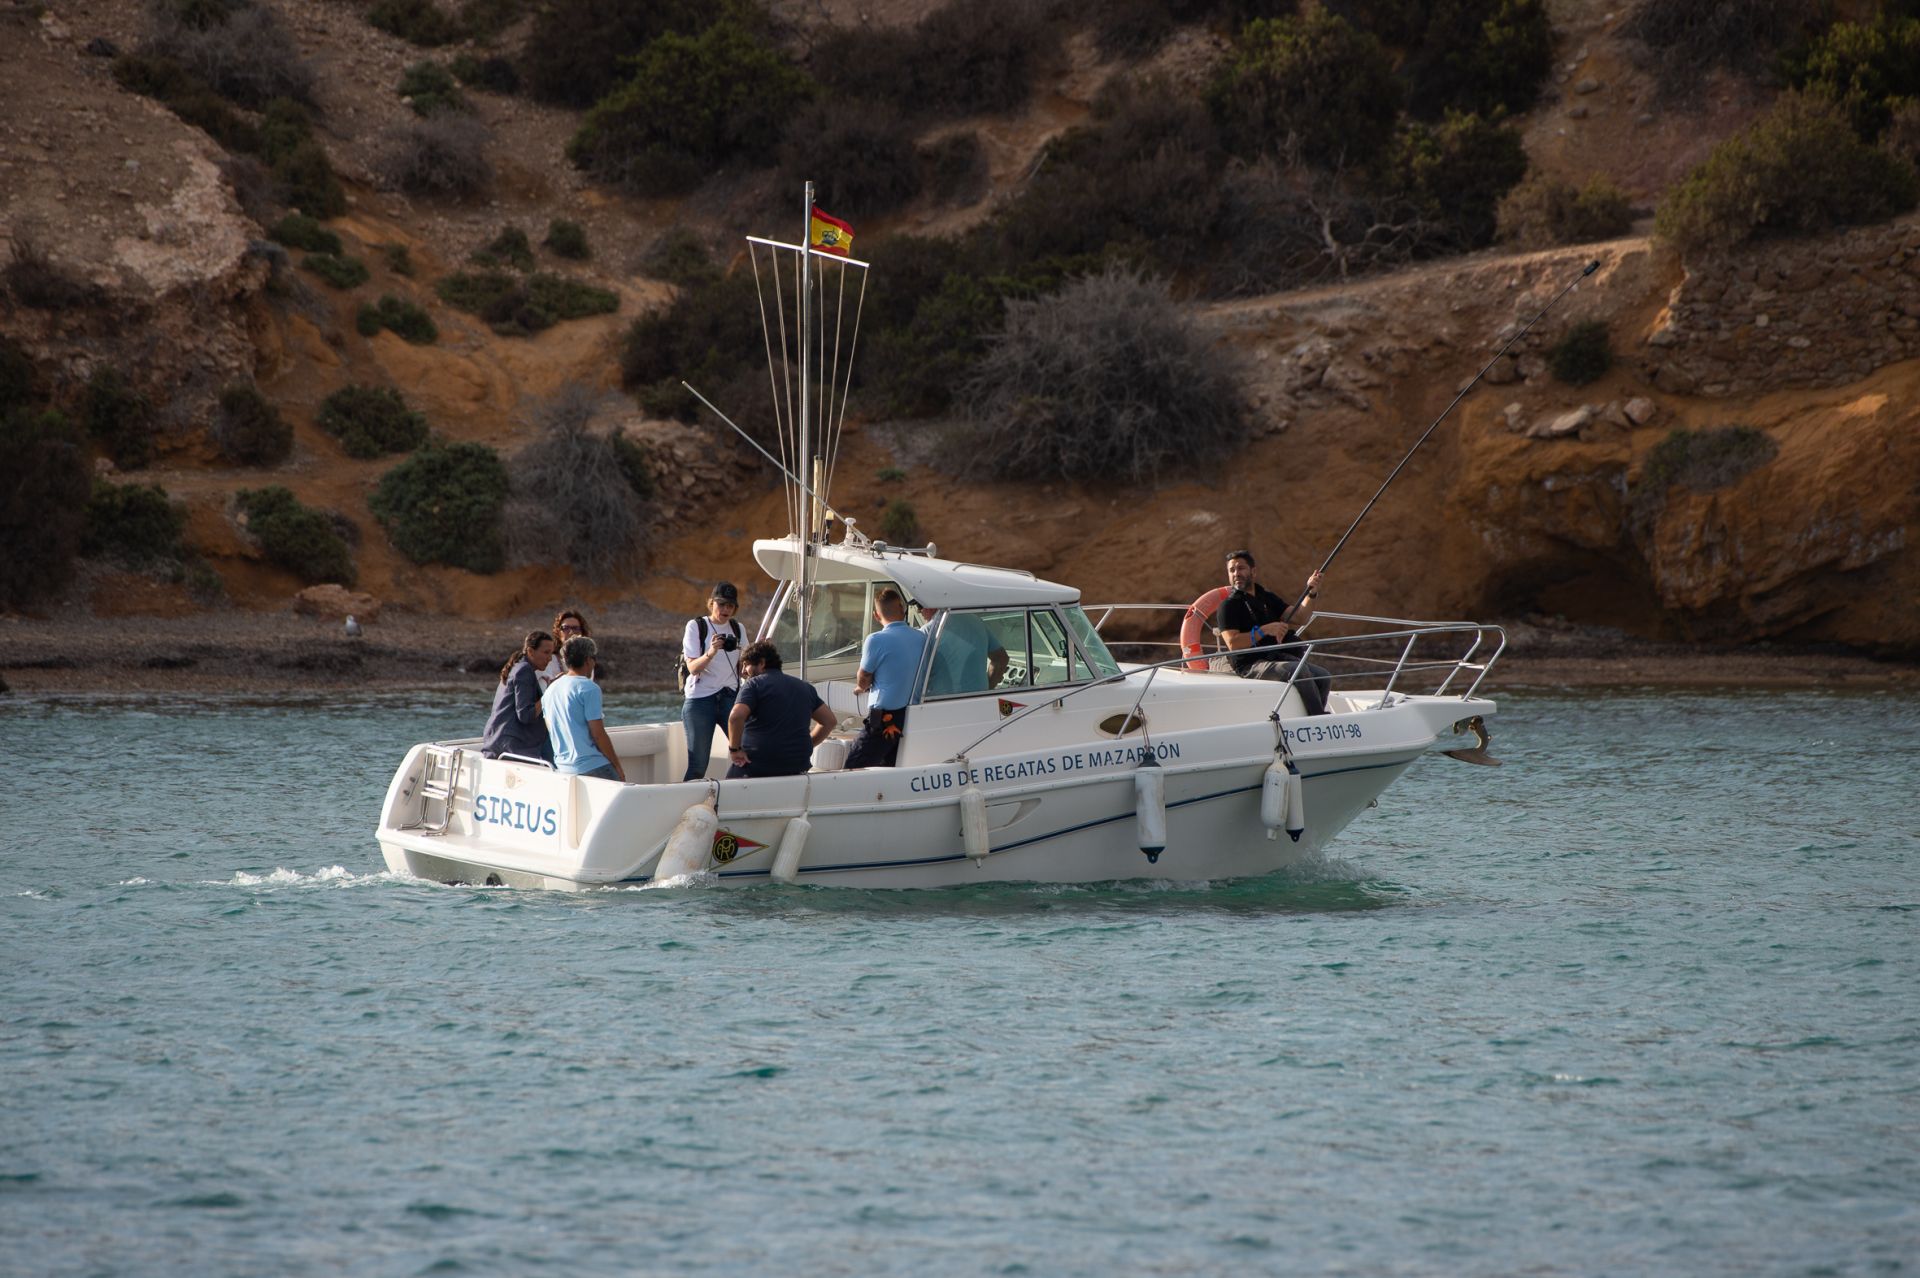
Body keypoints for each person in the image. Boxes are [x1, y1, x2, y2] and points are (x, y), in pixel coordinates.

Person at [1215, 548, 1333, 716]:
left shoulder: (1266, 598)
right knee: (1298, 670)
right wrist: (1263, 630)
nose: (1236, 573)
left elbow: (1301, 617)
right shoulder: (1228, 606)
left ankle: (1307, 718)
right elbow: (1233, 643)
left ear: (1253, 571)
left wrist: (1311, 592)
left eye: (1241, 568)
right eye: (1232, 570)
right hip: (1250, 663)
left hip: (1274, 656)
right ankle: (1317, 717)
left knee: (1324, 676)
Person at [723, 641, 837, 779]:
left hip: (756, 765)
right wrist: (807, 744)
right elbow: (829, 721)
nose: (742, 671)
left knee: (727, 795)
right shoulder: (805, 687)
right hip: (797, 766)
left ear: (761, 663)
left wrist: (734, 750)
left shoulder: (754, 684)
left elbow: (736, 716)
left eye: (746, 664)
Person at [846, 587, 927, 768]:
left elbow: (864, 676)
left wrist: (860, 687)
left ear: (876, 615)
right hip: (912, 715)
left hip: (885, 719)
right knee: (891, 766)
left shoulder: (875, 640)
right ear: (903, 609)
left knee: (853, 766)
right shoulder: (921, 637)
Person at [681, 582, 745, 781]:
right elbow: (692, 668)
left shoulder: (738, 628)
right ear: (711, 603)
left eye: (730, 606)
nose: (726, 609)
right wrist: (711, 651)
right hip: (701, 699)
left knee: (748, 751)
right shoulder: (696, 626)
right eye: (721, 604)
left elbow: (743, 665)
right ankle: (686, 806)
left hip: (729, 697)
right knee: (698, 765)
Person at [542, 635, 625, 782]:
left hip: (563, 768)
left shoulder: (550, 690)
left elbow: (551, 728)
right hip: (592, 766)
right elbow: (598, 734)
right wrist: (617, 766)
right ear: (588, 660)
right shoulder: (588, 688)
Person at [480, 630, 556, 762]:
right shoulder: (524, 670)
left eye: (551, 653)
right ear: (531, 652)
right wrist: (550, 691)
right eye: (546, 653)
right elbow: (526, 715)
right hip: (511, 746)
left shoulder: (517, 666)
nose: (550, 659)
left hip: (497, 740)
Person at [921, 605, 1008, 696]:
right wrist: (987, 689)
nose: (920, 612)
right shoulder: (977, 622)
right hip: (978, 700)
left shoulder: (927, 631)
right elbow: (1001, 658)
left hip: (939, 704)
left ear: (929, 606)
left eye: (920, 607)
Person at [538, 608, 591, 690]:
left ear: (582, 632)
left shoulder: (587, 661)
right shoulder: (549, 660)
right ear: (558, 632)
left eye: (575, 628)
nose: (571, 632)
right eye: (566, 628)